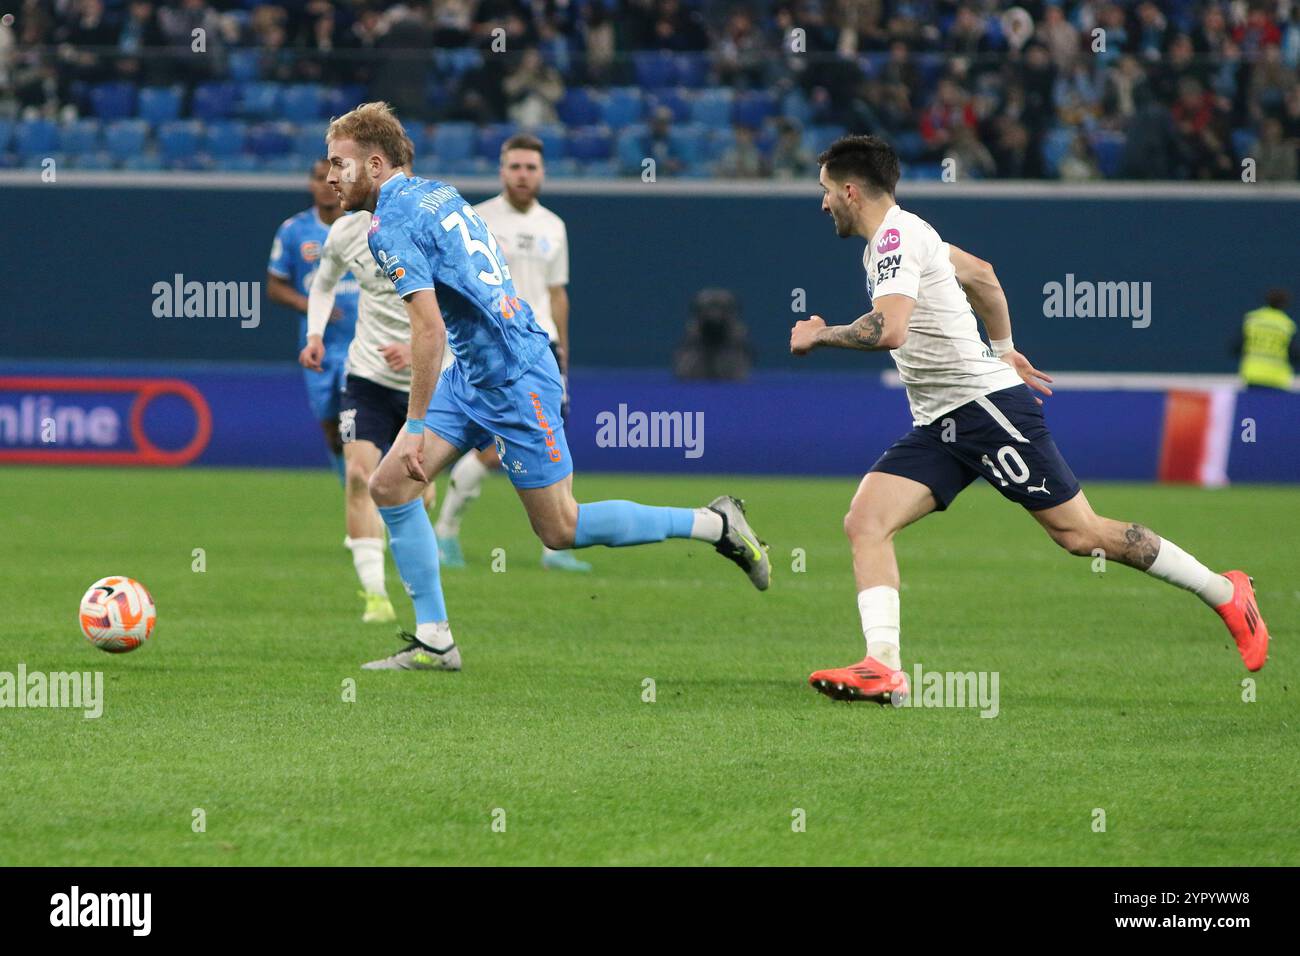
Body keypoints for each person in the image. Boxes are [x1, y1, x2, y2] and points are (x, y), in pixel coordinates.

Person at [790, 135, 1270, 704]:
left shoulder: (896, 237)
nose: (822, 204)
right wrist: (1004, 347)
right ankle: (883, 668)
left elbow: (889, 328)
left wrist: (818, 334)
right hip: (942, 422)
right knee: (865, 522)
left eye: (825, 191)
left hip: (984, 410)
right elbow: (984, 276)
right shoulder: (911, 236)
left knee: (1080, 533)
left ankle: (1225, 592)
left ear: (850, 190)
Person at [323, 102, 770, 672]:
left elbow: (428, 326)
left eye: (340, 163)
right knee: (389, 487)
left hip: (513, 374)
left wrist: (412, 426)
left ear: (377, 164)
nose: (331, 176)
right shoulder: (436, 192)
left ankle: (715, 524)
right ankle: (436, 640)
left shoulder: (388, 225)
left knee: (560, 528)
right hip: (476, 369)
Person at [433, 133, 591, 573]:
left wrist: (564, 353)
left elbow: (557, 293)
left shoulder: (553, 226)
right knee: (490, 450)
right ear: (501, 171)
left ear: (543, 173)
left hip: (541, 351)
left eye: (531, 167)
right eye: (515, 167)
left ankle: (555, 545)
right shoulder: (475, 220)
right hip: (490, 351)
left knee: (553, 443)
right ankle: (444, 533)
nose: (523, 175)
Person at [300, 158, 443, 624]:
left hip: (424, 384)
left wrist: (414, 347)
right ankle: (375, 595)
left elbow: (456, 309)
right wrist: (315, 335)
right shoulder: (344, 231)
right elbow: (322, 286)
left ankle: (420, 597)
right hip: (366, 377)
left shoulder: (428, 225)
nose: (334, 179)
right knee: (359, 476)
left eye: (343, 167)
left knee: (417, 494)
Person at [267, 158, 360, 484]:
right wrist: (311, 306)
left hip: (358, 346)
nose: (325, 184)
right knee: (331, 430)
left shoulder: (362, 226)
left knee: (353, 429)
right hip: (318, 347)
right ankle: (349, 484)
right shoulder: (294, 231)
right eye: (319, 178)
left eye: (331, 177)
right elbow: (275, 285)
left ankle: (360, 490)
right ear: (311, 184)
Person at [1234, 289, 1297, 390]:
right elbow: (1293, 354)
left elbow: (1236, 347)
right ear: (1285, 304)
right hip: (1277, 377)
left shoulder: (1252, 319)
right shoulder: (1287, 325)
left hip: (1253, 374)